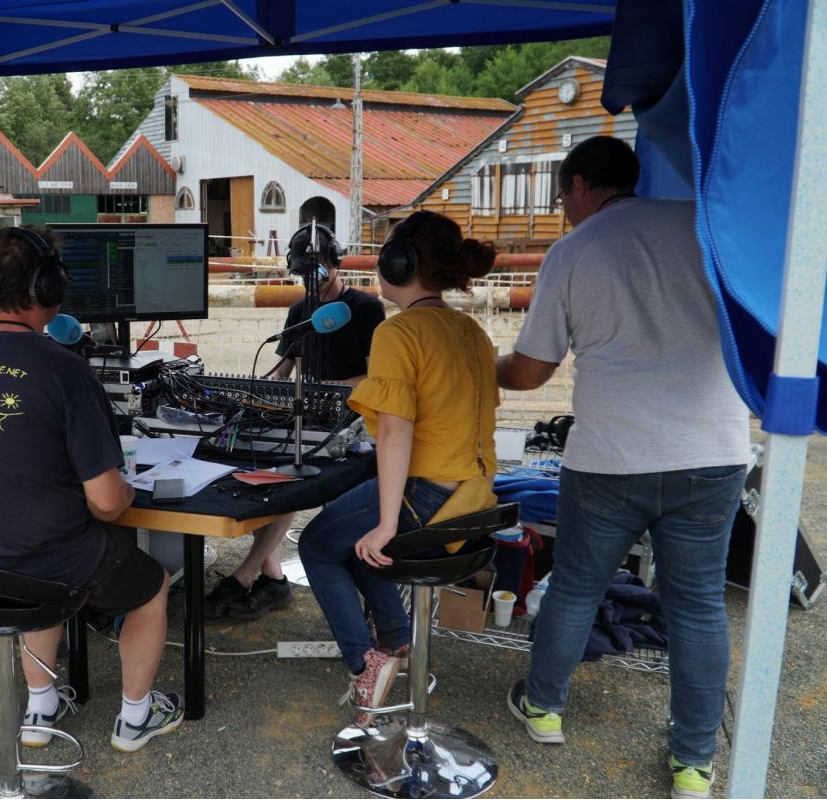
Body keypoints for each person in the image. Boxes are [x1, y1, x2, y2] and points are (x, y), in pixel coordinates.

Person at [496, 136, 750, 800]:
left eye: (561, 198)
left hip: (612, 459)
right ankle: (694, 762)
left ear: (581, 184)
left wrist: (479, 367)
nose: (564, 211)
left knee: (577, 586)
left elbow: (531, 370)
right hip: (712, 453)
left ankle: (545, 708)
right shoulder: (704, 227)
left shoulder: (573, 251)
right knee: (697, 607)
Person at [0, 226, 184, 753]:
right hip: (41, 561)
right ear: (50, 288)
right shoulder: (64, 368)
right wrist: (125, 491)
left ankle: (40, 707)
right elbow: (107, 503)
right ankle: (135, 717)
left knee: (30, 574)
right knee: (150, 585)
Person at [297, 211, 500, 722]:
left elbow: (394, 430)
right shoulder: (468, 329)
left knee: (319, 546)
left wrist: (388, 525)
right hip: (475, 499)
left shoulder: (399, 332)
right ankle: (394, 643)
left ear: (398, 263)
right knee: (354, 541)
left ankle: (365, 662)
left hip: (428, 498)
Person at [203, 223, 387, 622]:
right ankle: (271, 577)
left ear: (335, 264)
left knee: (294, 482)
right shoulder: (300, 309)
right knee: (262, 476)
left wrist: (329, 386)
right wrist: (253, 395)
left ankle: (246, 576)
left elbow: (375, 377)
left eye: (318, 273)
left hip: (350, 421)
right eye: (304, 275)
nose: (312, 284)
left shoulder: (366, 309)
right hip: (304, 417)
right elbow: (283, 369)